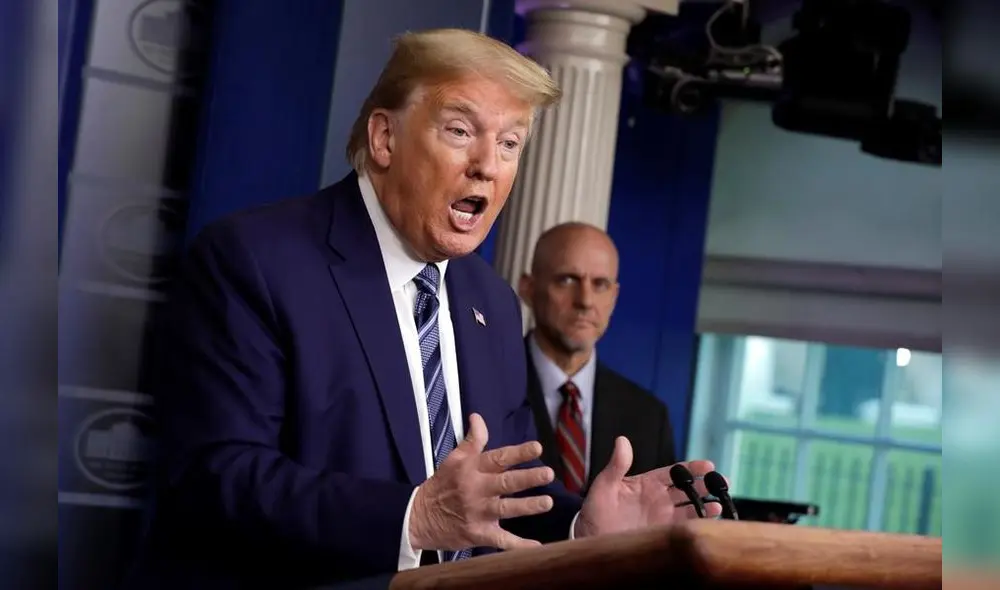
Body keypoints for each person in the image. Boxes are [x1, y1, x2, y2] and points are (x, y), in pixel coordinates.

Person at [124, 28, 721, 589]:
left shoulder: (491, 301)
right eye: (461, 131)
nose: (488, 164)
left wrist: (580, 530)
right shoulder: (253, 260)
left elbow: (493, 497)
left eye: (510, 143)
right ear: (385, 139)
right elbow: (213, 480)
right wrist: (411, 518)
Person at [519, 223, 677, 496]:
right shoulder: (486, 386)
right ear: (529, 289)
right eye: (567, 280)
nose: (585, 300)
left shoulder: (649, 418)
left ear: (614, 298)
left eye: (600, 284)